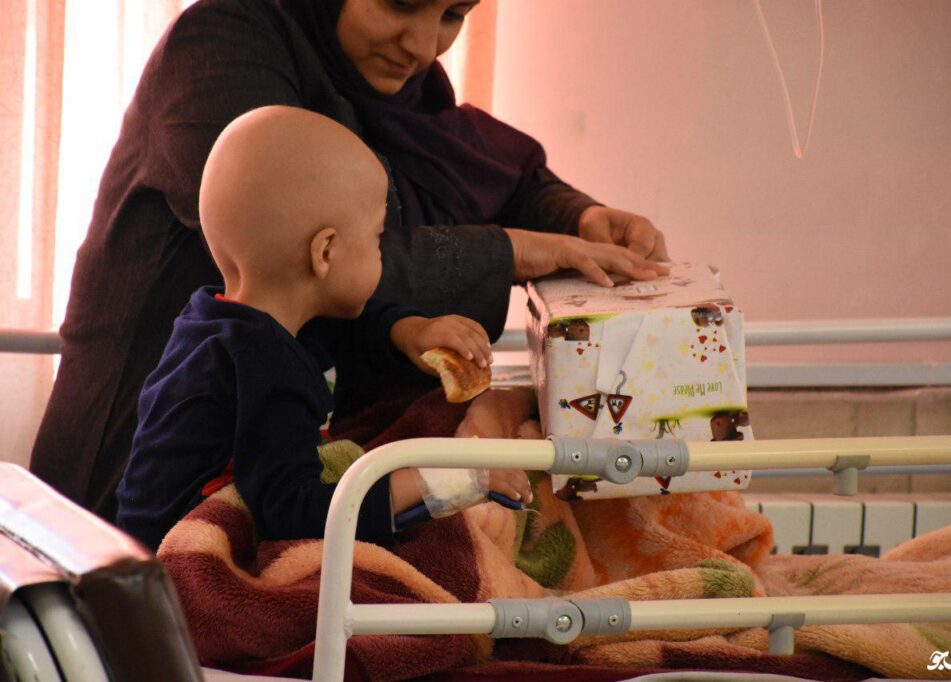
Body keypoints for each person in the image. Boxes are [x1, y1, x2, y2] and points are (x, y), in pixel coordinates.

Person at [31, 0, 671, 523]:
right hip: (139, 508)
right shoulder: (223, 45)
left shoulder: (408, 100)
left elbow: (488, 170)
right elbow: (310, 261)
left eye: (453, 14)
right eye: (401, 3)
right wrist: (516, 251)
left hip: (291, 467)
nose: (422, 46)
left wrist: (579, 218)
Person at [117, 105, 532, 551]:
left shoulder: (229, 321)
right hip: (176, 564)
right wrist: (450, 479)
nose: (380, 252)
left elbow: (350, 331)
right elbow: (295, 514)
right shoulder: (266, 367)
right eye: (377, 239)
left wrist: (409, 330)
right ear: (326, 252)